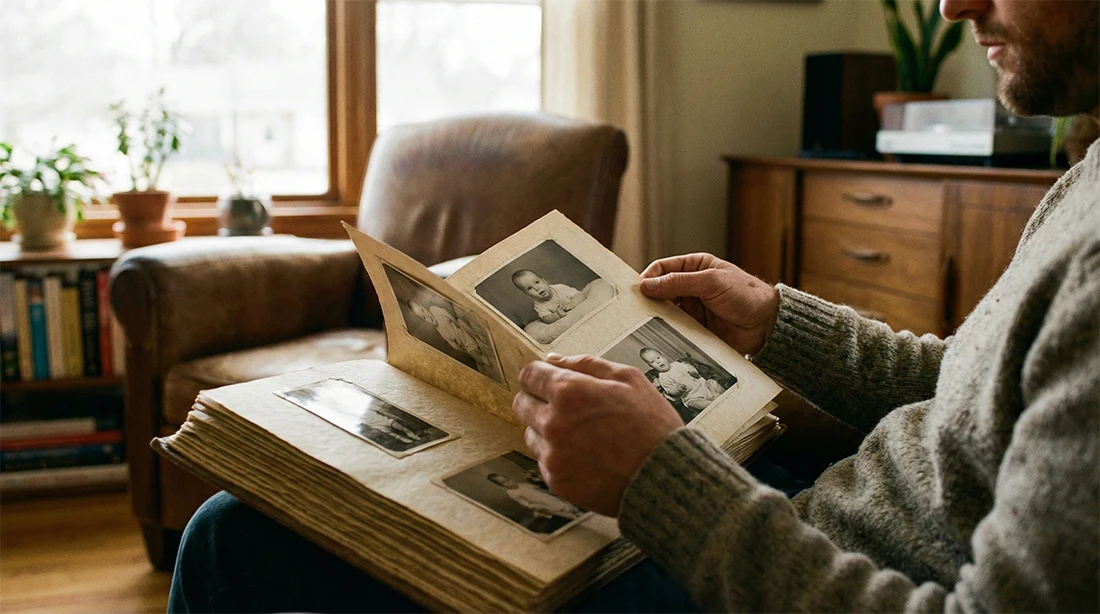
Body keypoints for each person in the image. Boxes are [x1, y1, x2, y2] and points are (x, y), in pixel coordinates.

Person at [170, 0, 1100, 610]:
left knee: (230, 545)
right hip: (801, 519)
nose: (953, 6)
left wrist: (663, 479)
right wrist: (777, 320)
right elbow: (969, 391)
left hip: (779, 568)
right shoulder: (1087, 170)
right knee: (247, 522)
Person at [405, 297, 495, 371]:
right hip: (466, 344)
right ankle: (485, 359)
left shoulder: (434, 310)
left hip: (462, 328)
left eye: (423, 310)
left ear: (423, 306)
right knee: (475, 355)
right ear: (424, 322)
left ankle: (480, 339)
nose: (427, 316)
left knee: (464, 324)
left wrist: (455, 321)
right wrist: (462, 348)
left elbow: (447, 314)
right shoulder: (439, 330)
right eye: (424, 317)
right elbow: (452, 343)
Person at [486, 472, 585, 522]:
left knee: (568, 506)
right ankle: (575, 518)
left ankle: (578, 513)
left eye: (508, 479)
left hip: (547, 498)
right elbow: (526, 504)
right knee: (563, 512)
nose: (509, 482)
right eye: (505, 483)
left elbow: (538, 489)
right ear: (502, 486)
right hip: (542, 505)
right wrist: (536, 506)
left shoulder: (522, 485)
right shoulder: (513, 494)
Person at [511, 268, 586, 324]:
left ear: (544, 280)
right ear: (526, 293)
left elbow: (580, 295)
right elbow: (546, 319)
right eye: (529, 288)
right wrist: (557, 315)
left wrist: (572, 303)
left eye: (537, 282)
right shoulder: (538, 304)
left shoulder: (560, 288)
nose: (537, 288)